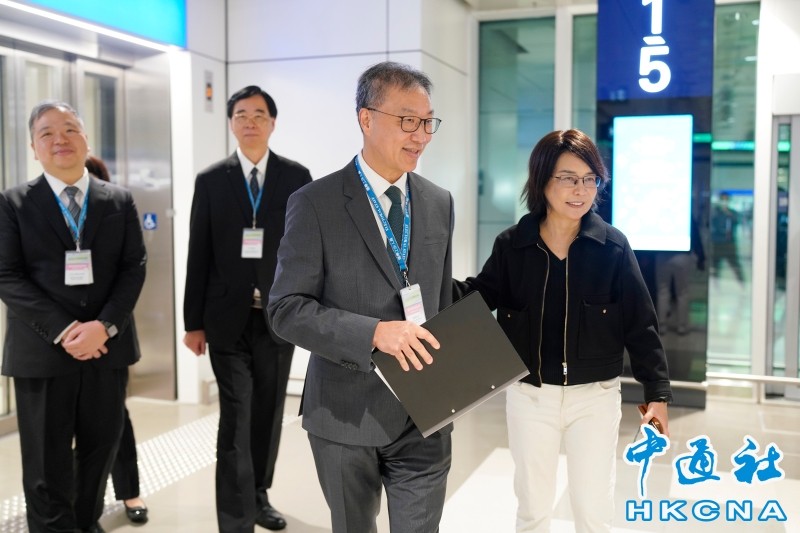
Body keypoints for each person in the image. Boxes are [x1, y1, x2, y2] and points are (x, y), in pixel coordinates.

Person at [267, 61, 454, 533]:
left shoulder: (439, 202)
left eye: (427, 122)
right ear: (366, 118)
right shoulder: (315, 203)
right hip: (345, 415)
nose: (421, 135)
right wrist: (372, 333)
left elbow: (441, 299)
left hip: (424, 415)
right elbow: (286, 309)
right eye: (407, 120)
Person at [455, 129, 672, 532]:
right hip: (530, 396)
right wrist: (424, 287)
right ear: (542, 181)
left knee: (592, 509)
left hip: (595, 397)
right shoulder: (513, 246)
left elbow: (641, 324)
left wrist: (656, 394)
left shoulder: (612, 247)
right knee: (533, 508)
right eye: (569, 178)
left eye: (590, 179)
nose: (581, 190)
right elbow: (478, 297)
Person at [0, 101, 146, 533]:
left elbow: (133, 267)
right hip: (42, 353)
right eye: (46, 132)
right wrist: (65, 330)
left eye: (69, 129)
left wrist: (104, 325)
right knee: (46, 460)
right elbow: (7, 275)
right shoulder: (12, 203)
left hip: (107, 348)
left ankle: (85, 523)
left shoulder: (117, 199)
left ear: (86, 139)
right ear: (33, 147)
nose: (59, 139)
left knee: (101, 449)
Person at [183, 85, 312, 532]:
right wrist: (193, 322)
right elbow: (198, 252)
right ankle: (235, 517)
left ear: (272, 123)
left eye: (259, 114)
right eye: (241, 115)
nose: (250, 122)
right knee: (236, 415)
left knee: (268, 413)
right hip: (224, 319)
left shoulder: (296, 177)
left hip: (279, 316)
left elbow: (308, 249)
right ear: (231, 123)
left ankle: (258, 494)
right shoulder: (211, 180)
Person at [84, 155, 149, 525]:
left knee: (115, 420)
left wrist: (103, 325)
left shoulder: (117, 210)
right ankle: (79, 501)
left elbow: (132, 270)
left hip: (111, 333)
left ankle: (129, 491)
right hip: (65, 338)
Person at [709, 191, 745, 283]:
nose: (724, 202)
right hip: (717, 243)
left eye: (726, 200)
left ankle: (742, 284)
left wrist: (727, 213)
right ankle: (715, 285)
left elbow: (737, 221)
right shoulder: (715, 212)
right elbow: (711, 223)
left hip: (729, 243)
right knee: (715, 266)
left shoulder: (732, 213)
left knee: (735, 265)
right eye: (722, 199)